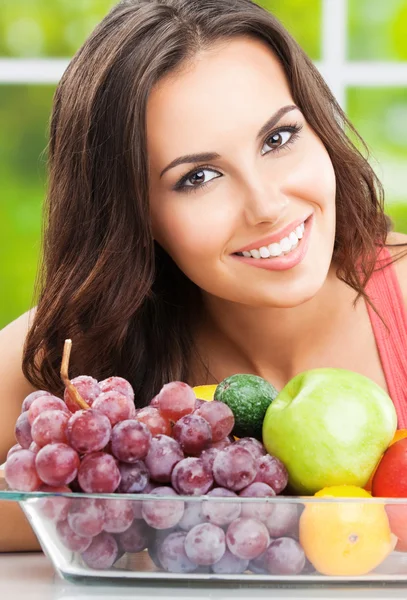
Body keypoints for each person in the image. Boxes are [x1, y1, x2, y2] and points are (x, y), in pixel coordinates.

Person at [1, 0, 407, 552]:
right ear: (134, 216)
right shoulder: (83, 348)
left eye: (279, 139)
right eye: (199, 176)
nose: (266, 205)